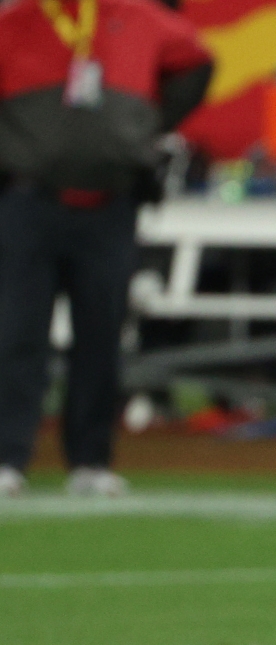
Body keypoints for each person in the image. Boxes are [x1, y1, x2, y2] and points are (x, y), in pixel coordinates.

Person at [0, 0, 213, 498]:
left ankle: (91, 460)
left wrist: (145, 125)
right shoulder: (18, 20)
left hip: (110, 203)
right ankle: (8, 457)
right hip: (27, 199)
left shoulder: (137, 15)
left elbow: (196, 61)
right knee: (16, 334)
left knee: (102, 334)